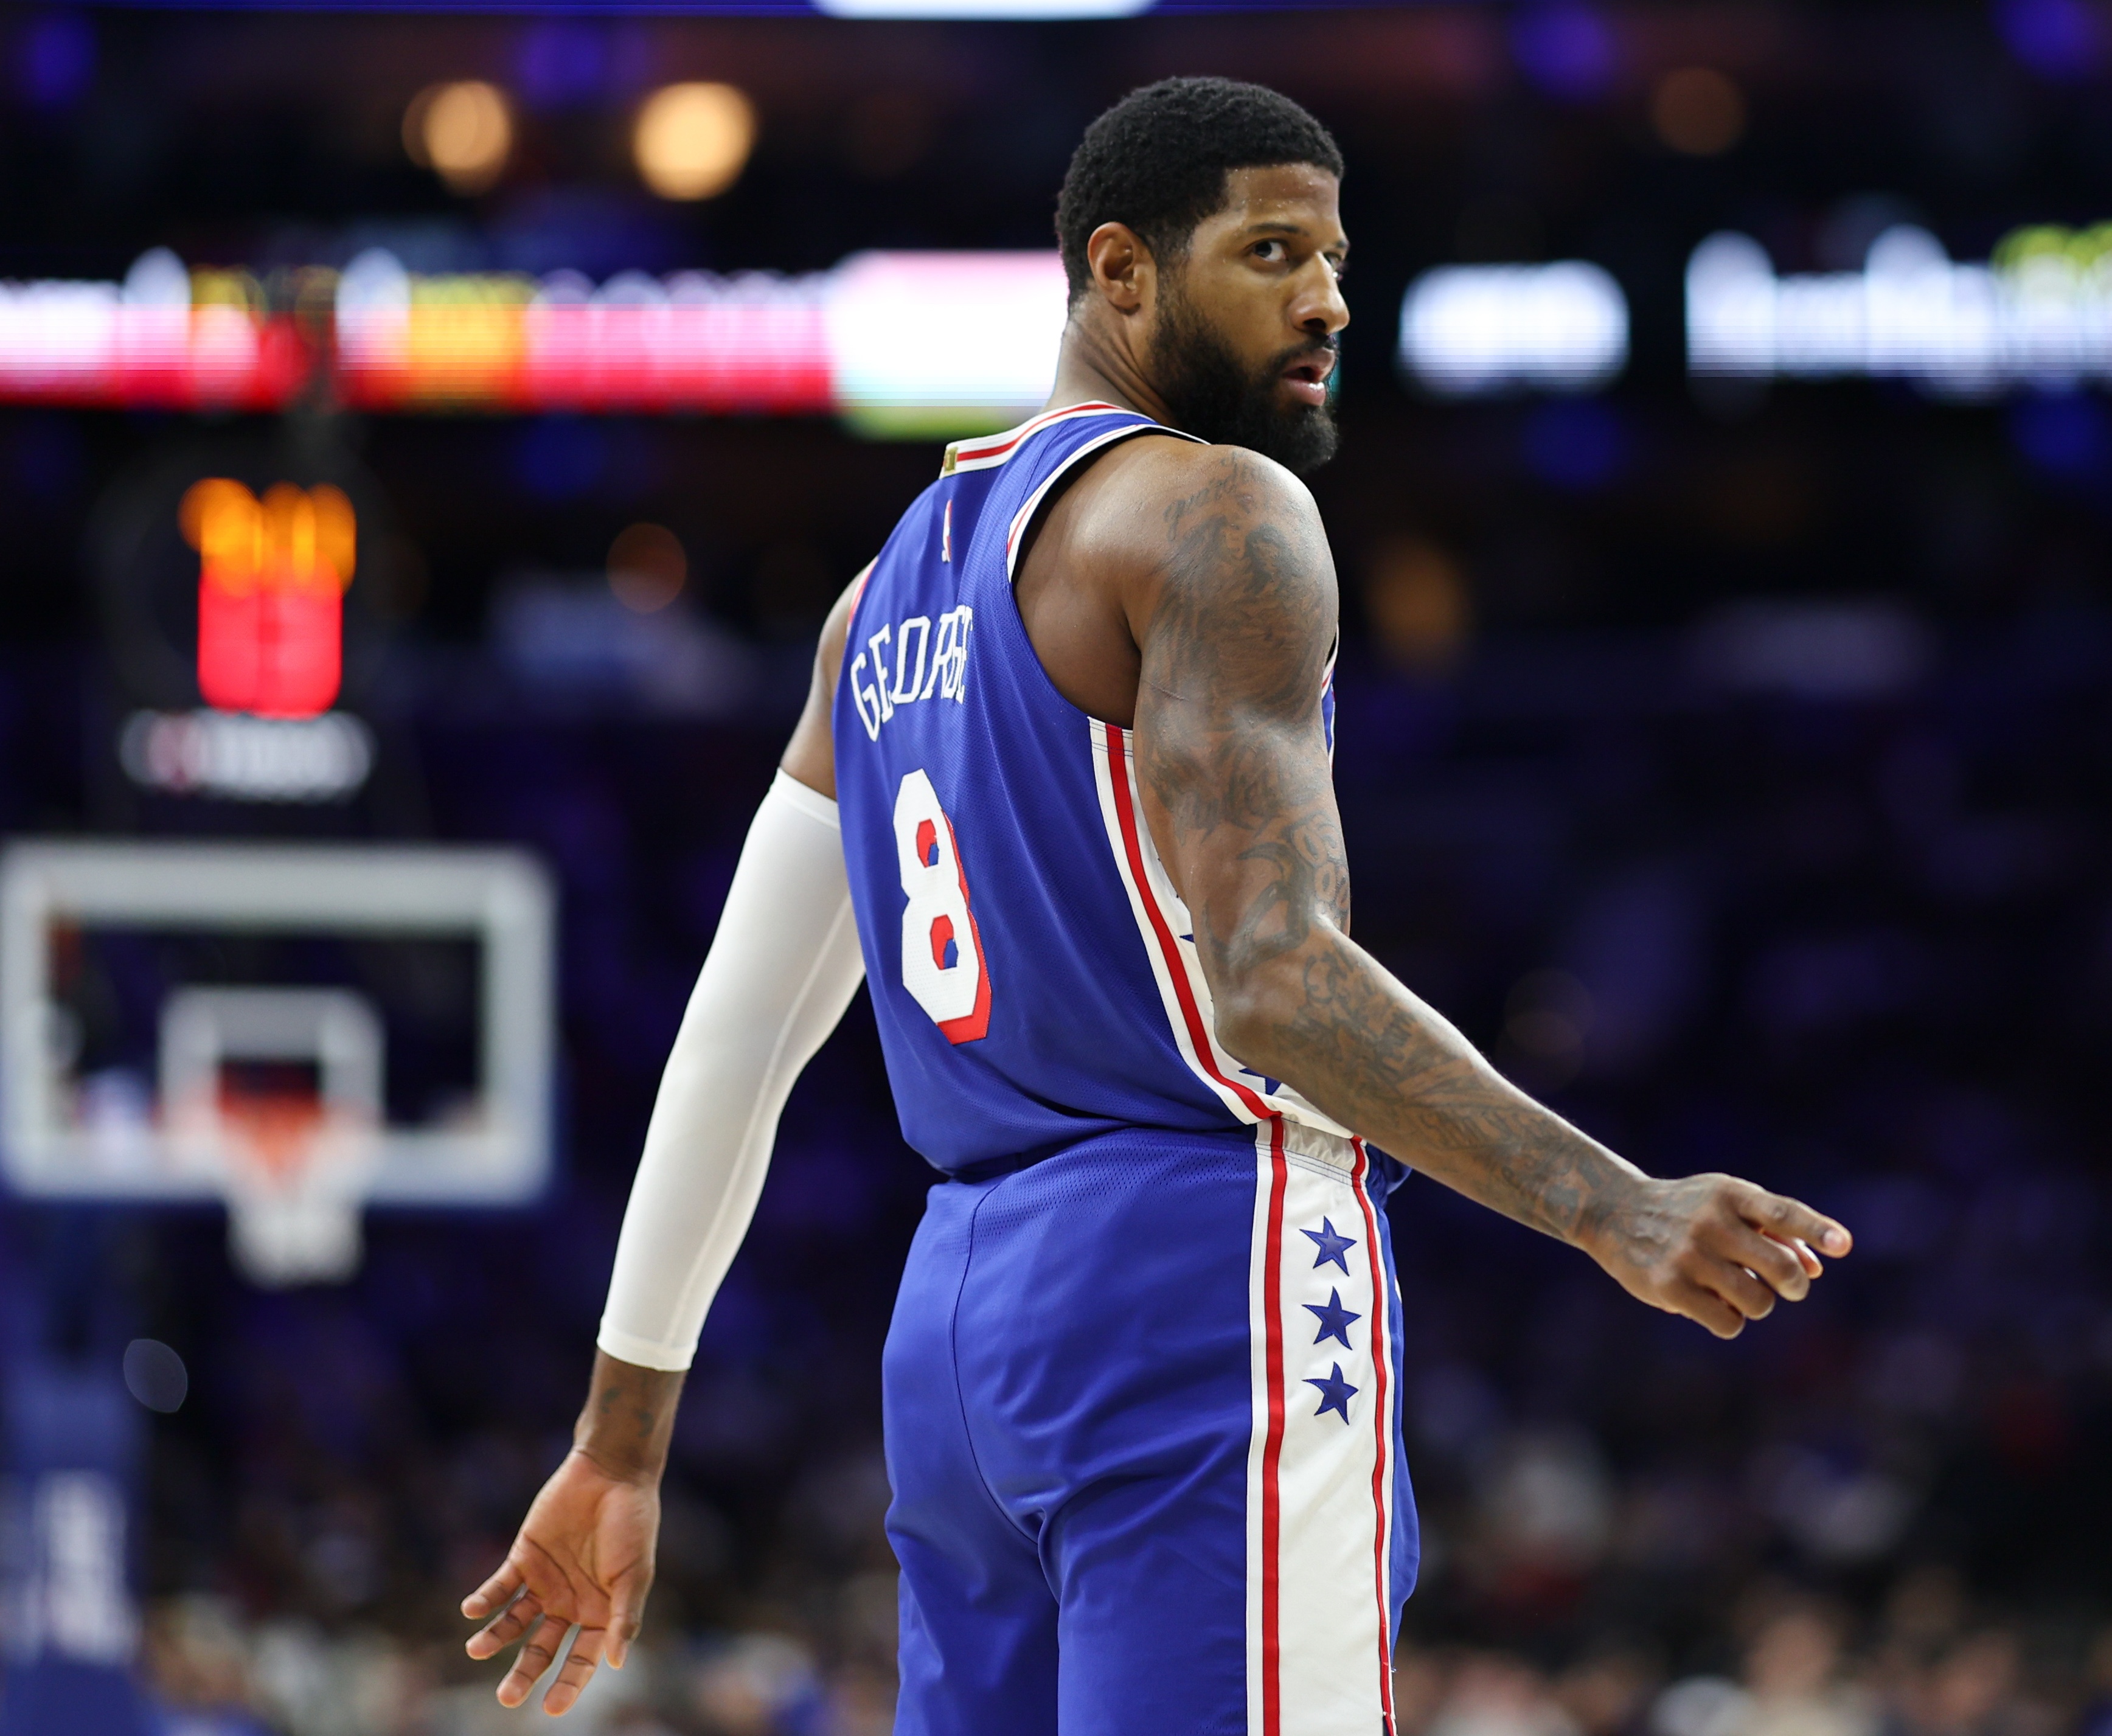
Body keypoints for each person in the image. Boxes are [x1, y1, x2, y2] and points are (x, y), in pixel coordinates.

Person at [460, 76, 1853, 1735]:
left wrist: (620, 1443)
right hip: (1203, 1268)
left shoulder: (872, 605)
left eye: (1335, 260)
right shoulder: (1218, 513)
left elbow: (736, 1043)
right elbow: (1272, 981)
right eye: (1271, 252)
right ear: (1120, 270)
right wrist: (1610, 1205)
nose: (1326, 300)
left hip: (960, 1323)